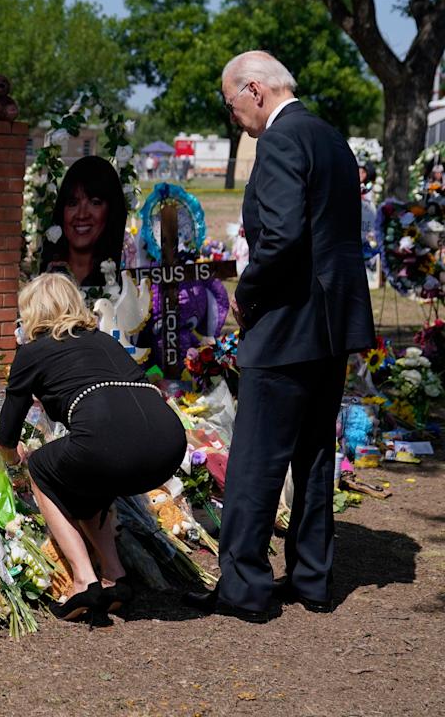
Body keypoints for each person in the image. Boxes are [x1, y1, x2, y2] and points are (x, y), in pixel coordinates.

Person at [186, 51, 375, 623]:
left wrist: (249, 291)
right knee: (315, 451)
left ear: (255, 90)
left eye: (231, 102)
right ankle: (313, 578)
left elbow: (285, 235)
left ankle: (245, 587)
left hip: (289, 319)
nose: (233, 116)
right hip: (332, 321)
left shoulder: (280, 138)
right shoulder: (331, 137)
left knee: (256, 457)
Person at [0, 273, 186, 621]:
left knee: (42, 467)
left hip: (108, 445)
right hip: (169, 443)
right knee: (89, 473)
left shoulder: (31, 352)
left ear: (33, 312)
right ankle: (115, 577)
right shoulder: (104, 342)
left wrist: (11, 462)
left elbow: (7, 433)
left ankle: (84, 581)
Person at [43, 155, 128, 288]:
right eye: (72, 203)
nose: (82, 215)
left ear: (111, 210)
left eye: (95, 203)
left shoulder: (126, 276)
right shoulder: (42, 275)